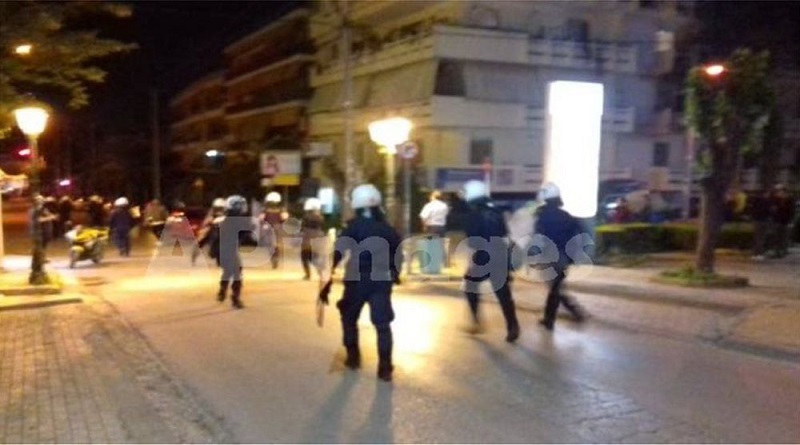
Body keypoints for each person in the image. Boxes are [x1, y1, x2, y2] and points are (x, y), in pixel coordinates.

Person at [319, 184, 403, 382]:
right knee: (382, 325)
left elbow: (338, 252)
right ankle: (385, 368)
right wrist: (394, 274)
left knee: (349, 317)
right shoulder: (387, 228)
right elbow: (399, 255)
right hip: (382, 280)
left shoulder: (354, 226)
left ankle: (353, 357)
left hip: (357, 280)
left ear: (356, 204)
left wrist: (327, 278)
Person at [459, 180, 520, 343]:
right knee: (504, 294)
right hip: (500, 256)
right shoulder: (496, 211)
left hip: (483, 257)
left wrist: (470, 263)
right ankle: (513, 326)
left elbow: (473, 242)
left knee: (470, 286)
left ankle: (476, 322)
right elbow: (505, 236)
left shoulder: (473, 215)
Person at [534, 182, 587, 331]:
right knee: (556, 288)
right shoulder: (566, 216)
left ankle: (552, 319)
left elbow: (539, 238)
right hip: (563, 257)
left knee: (554, 290)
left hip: (549, 257)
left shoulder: (542, 216)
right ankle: (567, 313)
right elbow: (581, 232)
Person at [215, 195, 254, 309]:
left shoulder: (225, 219)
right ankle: (235, 299)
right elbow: (246, 237)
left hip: (222, 251)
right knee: (237, 273)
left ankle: (222, 292)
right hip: (230, 250)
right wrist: (249, 229)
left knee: (227, 272)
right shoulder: (237, 220)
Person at [195, 198, 226, 265]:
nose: (219, 210)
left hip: (223, 231)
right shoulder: (211, 212)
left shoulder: (226, 213)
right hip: (213, 229)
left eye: (220, 208)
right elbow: (207, 220)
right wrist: (208, 223)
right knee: (203, 237)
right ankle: (195, 253)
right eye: (217, 208)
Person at [300, 197, 326, 280]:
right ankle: (320, 272)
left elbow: (301, 228)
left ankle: (307, 275)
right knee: (314, 258)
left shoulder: (306, 217)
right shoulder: (320, 217)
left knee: (304, 257)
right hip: (317, 239)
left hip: (307, 238)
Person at [259, 191, 286, 269]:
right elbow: (284, 218)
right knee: (276, 245)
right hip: (277, 228)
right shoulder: (281, 210)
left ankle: (274, 258)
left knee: (270, 245)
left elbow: (261, 219)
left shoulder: (265, 210)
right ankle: (275, 258)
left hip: (269, 228)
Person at [770, 184, 796, 258]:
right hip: (777, 221)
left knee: (784, 237)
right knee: (776, 237)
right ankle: (776, 251)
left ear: (784, 191)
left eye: (779, 191)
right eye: (777, 191)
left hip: (786, 221)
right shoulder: (776, 199)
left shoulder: (790, 199)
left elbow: (792, 211)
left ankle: (783, 251)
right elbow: (773, 209)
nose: (778, 193)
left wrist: (791, 221)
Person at [749, 188, 772, 261]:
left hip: (757, 220)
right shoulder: (767, 201)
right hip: (764, 220)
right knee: (761, 238)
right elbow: (769, 211)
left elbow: (752, 210)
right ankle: (759, 253)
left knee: (757, 237)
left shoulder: (755, 200)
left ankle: (754, 253)